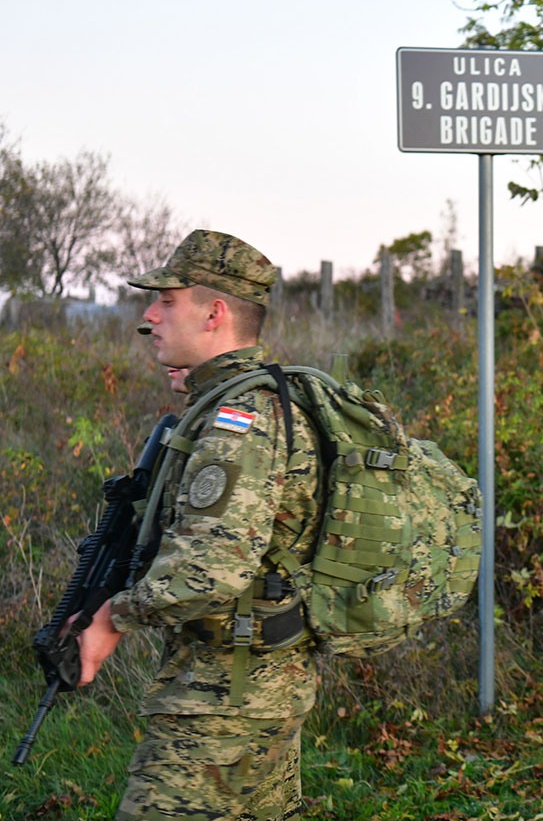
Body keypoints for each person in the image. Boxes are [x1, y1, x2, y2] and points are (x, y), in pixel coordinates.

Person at [75, 229, 321, 819]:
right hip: (256, 683)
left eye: (167, 301)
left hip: (225, 701)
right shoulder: (252, 400)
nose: (149, 316)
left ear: (214, 314)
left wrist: (113, 618)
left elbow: (211, 569)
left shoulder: (240, 420)